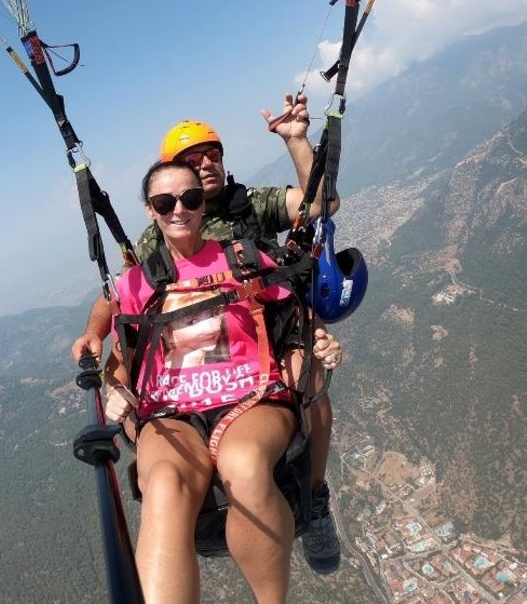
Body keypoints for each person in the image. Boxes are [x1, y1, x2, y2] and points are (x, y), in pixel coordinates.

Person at [71, 93, 345, 574]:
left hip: (274, 321)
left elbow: (322, 204)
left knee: (310, 379)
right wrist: (96, 332)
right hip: (212, 342)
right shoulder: (159, 237)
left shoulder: (250, 205)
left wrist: (297, 141)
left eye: (212, 154)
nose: (206, 164)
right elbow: (122, 294)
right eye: (192, 160)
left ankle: (314, 497)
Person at [103, 159, 304, 603]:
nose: (179, 209)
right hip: (170, 410)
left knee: (244, 463)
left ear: (202, 204)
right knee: (163, 486)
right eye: (165, 202)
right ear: (150, 210)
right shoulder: (136, 283)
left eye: (190, 198)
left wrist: (311, 349)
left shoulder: (243, 257)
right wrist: (114, 390)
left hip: (250, 394)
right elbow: (120, 358)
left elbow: (295, 318)